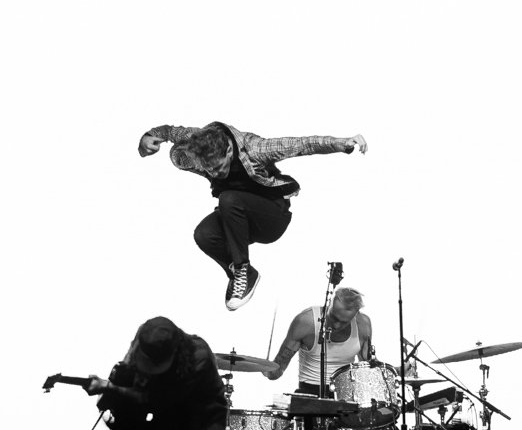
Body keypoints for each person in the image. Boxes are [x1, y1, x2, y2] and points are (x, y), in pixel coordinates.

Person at [139, 122, 367, 310]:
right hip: (236, 218)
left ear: (229, 151)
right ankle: (246, 274)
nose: (216, 174)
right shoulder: (195, 142)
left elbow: (301, 145)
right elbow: (170, 131)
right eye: (210, 171)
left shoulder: (255, 149)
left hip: (271, 218)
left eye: (219, 168)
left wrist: (340, 143)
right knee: (203, 235)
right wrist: (149, 136)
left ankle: (240, 269)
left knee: (228, 197)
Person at [267, 287, 407, 430]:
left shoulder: (363, 324)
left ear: (355, 315)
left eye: (346, 321)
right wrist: (267, 369)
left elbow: (367, 365)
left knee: (388, 429)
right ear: (330, 304)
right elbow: (278, 367)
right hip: (311, 393)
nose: (339, 325)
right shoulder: (306, 321)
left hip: (344, 396)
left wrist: (396, 370)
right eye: (335, 318)